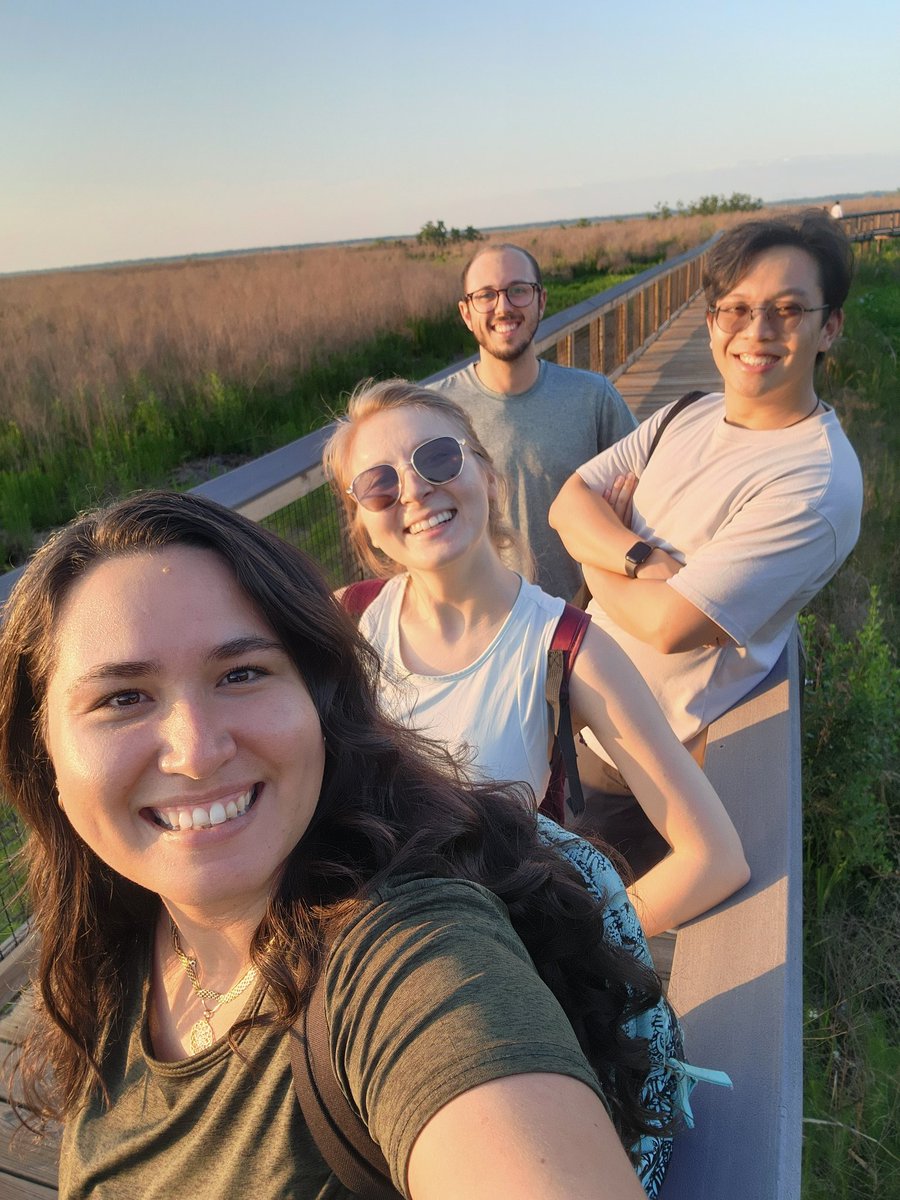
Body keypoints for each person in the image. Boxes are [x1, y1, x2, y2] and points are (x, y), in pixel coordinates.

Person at [0, 490, 684, 1200]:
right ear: (43, 754)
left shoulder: (410, 952)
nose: (197, 752)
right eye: (122, 699)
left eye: (241, 675)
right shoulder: (118, 933)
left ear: (321, 704)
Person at [323, 379, 748, 937]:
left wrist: (572, 947)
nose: (414, 491)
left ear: (489, 476)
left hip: (487, 989)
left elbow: (713, 857)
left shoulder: (568, 646)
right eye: (379, 483)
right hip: (357, 970)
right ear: (364, 525)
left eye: (438, 458)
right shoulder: (344, 624)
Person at [548, 211, 863, 801]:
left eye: (788, 309)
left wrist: (597, 555)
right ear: (712, 322)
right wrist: (640, 559)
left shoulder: (816, 482)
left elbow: (669, 626)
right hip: (558, 719)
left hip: (631, 776)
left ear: (829, 327)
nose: (757, 329)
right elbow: (567, 504)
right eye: (736, 308)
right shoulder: (687, 411)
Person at [433, 243, 637, 599]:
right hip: (482, 623)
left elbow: (646, 489)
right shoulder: (436, 411)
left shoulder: (593, 397)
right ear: (466, 313)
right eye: (486, 295)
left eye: (518, 291)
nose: (503, 307)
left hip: (583, 616)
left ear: (541, 300)